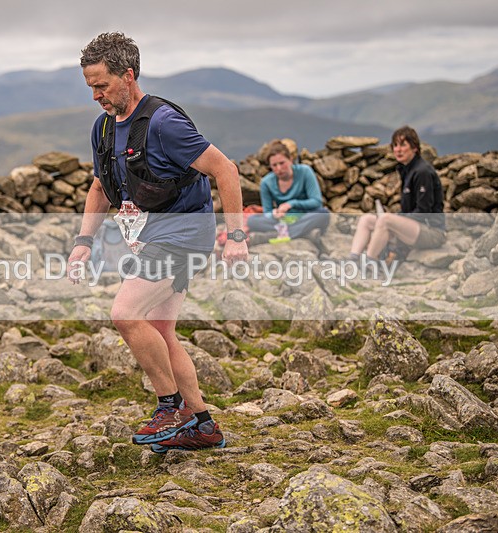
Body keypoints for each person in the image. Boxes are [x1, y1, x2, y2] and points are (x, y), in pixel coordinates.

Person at [67, 32, 248, 452]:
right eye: (90, 87)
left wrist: (236, 235)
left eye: (101, 85)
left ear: (127, 76)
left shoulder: (164, 123)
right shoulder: (105, 126)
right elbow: (100, 186)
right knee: (162, 331)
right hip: (152, 238)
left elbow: (227, 171)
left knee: (125, 313)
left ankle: (168, 408)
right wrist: (83, 242)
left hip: (186, 236)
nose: (95, 95)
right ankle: (201, 424)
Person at [349, 125, 445, 263]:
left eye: (403, 145)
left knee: (385, 220)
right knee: (366, 220)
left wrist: (396, 218)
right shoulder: (406, 170)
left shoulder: (422, 172)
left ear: (415, 148)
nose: (397, 150)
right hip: (414, 229)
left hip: (432, 232)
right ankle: (353, 259)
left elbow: (423, 212)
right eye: (395, 145)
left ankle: (370, 262)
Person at [246, 141, 330, 245]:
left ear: (290, 160)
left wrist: (291, 204)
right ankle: (302, 233)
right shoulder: (266, 183)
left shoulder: (305, 172)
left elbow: (317, 202)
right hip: (283, 220)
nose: (279, 169)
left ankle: (276, 234)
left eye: (282, 163)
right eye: (274, 165)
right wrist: (274, 214)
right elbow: (267, 211)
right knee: (252, 221)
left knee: (323, 214)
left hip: (304, 216)